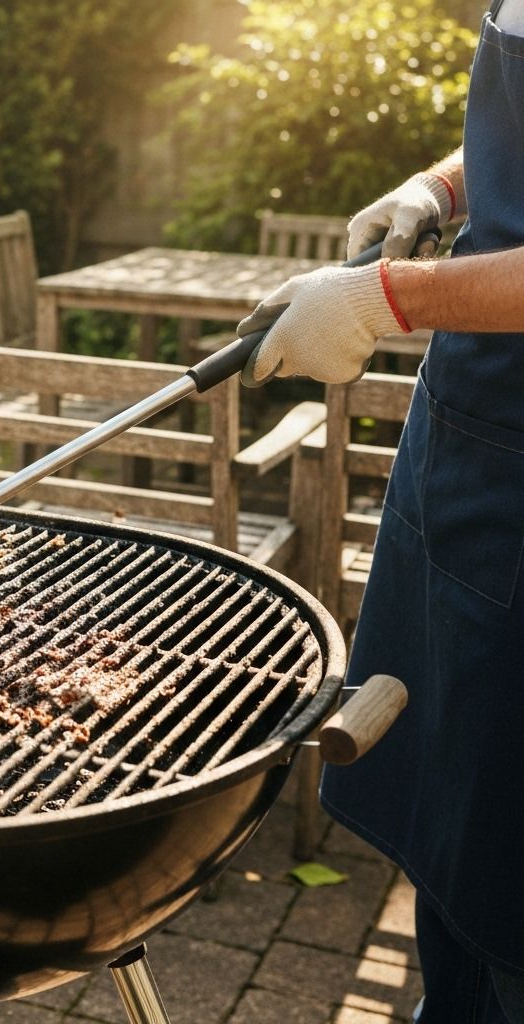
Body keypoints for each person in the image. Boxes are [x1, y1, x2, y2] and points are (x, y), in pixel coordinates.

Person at [236, 1, 524, 1021]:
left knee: (509, 864)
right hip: (469, 432)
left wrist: (384, 301)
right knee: (449, 831)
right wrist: (438, 184)